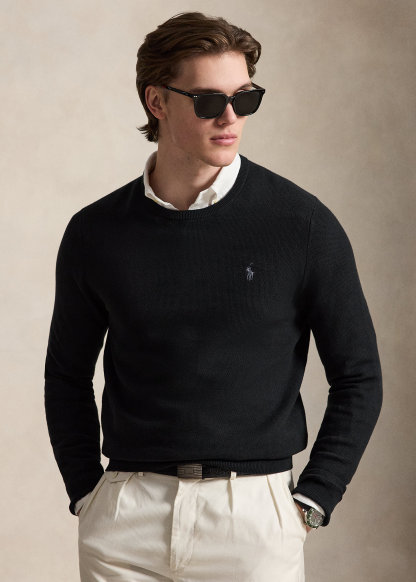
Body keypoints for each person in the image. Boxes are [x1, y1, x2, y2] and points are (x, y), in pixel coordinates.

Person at [44, 11, 383, 582]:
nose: (230, 118)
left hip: (252, 521)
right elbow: (66, 374)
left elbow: (359, 376)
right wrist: (86, 492)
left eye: (245, 99)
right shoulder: (95, 232)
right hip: (126, 519)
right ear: (157, 102)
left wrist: (313, 500)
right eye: (208, 101)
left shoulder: (301, 225)